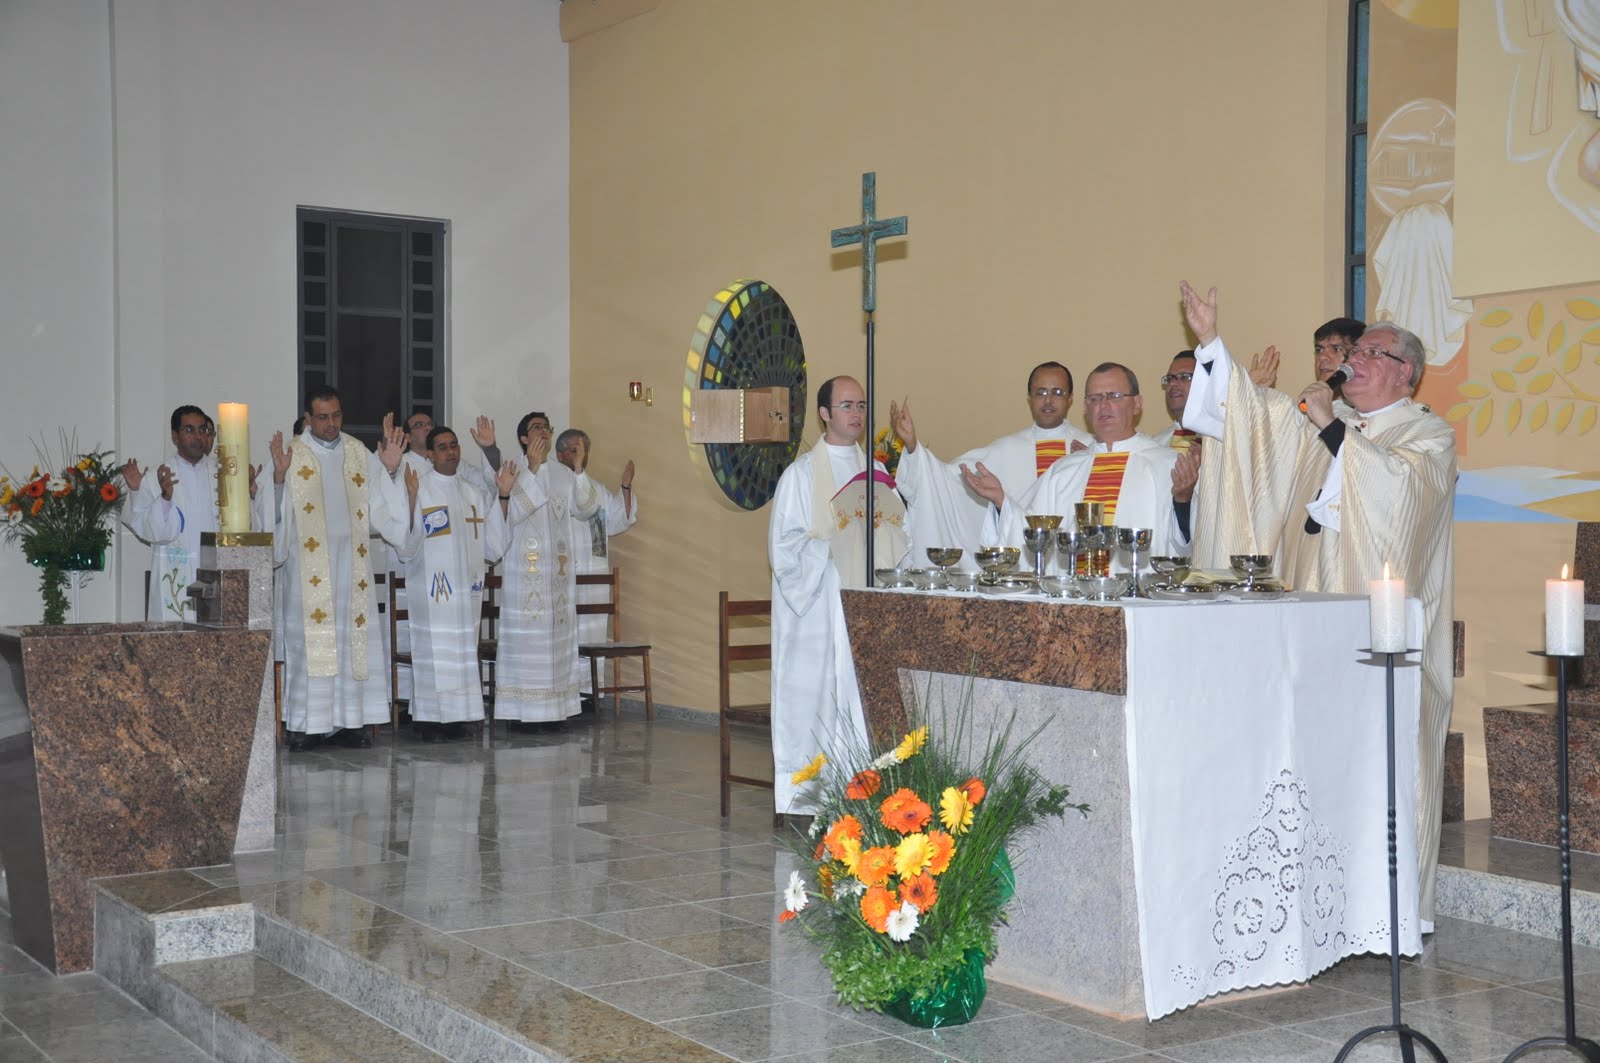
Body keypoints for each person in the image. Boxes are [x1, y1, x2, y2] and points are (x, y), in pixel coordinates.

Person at [1178, 280, 1456, 921]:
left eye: (1369, 351)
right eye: (1348, 351)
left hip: (1379, 637)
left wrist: (1331, 425)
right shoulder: (1324, 423)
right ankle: (1317, 903)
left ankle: (1387, 907)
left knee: (1380, 763)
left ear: (1403, 372)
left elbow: (1398, 502)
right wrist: (1212, 343)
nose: (1351, 359)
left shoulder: (1426, 439)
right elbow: (1249, 426)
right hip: (1312, 625)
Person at [769, 376, 909, 815]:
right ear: (824, 413)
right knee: (818, 698)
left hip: (863, 605)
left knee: (859, 697)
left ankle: (864, 795)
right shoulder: (802, 474)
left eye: (862, 405)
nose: (856, 413)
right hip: (819, 605)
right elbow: (784, 548)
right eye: (847, 404)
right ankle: (811, 799)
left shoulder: (879, 473)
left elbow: (899, 533)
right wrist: (831, 540)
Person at [269, 387, 410, 752]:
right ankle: (306, 726)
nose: (331, 424)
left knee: (352, 646)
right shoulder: (293, 454)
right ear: (308, 419)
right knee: (309, 647)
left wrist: (391, 470)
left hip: (353, 572)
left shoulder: (357, 452)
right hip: (307, 574)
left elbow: (383, 512)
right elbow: (275, 519)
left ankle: (353, 722)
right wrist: (279, 479)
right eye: (322, 417)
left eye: (336, 416)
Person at [964, 363, 1194, 559]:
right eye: (1095, 398)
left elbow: (1191, 542)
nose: (1103, 405)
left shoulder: (1169, 465)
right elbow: (1032, 535)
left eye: (1114, 396)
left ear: (1136, 404)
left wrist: (1183, 501)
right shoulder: (1064, 470)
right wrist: (1001, 502)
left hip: (1139, 601)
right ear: (1085, 408)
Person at [890, 362, 1091, 570]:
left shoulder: (1089, 448)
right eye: (1040, 392)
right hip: (1018, 570)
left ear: (1070, 398)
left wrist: (1091, 463)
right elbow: (948, 480)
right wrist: (913, 446)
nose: (1048, 400)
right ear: (1030, 398)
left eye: (1057, 392)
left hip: (1073, 566)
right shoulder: (1006, 448)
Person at [396, 426, 513, 741]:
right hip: (432, 591)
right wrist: (408, 499)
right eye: (443, 447)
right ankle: (431, 721)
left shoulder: (473, 492)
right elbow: (405, 546)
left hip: (466, 592)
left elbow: (494, 547)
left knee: (462, 651)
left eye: (454, 445)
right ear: (431, 454)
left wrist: (503, 496)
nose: (451, 451)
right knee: (434, 652)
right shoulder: (421, 489)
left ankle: (461, 717)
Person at [495, 411, 602, 733]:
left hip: (557, 578)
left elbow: (586, 509)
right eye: (536, 428)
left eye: (546, 427)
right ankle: (522, 713)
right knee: (527, 645)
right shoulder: (512, 469)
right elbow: (510, 513)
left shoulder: (563, 473)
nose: (543, 432)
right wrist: (532, 470)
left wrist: (580, 469)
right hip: (524, 576)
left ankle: (556, 711)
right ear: (524, 438)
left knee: (556, 643)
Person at [123, 405, 265, 620]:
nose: (198, 436)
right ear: (174, 435)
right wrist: (165, 499)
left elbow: (250, 528)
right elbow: (148, 531)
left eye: (202, 430)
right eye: (189, 430)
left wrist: (245, 491)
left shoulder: (226, 474)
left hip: (219, 573)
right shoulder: (156, 477)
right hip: (175, 574)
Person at [554, 428, 637, 712]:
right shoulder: (554, 489)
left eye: (583, 450)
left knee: (593, 636)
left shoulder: (597, 489)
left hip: (595, 576)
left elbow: (619, 520)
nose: (580, 456)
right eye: (575, 450)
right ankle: (565, 696)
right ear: (559, 455)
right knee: (567, 637)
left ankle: (590, 695)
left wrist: (625, 488)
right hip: (564, 577)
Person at [1149, 351, 1200, 450]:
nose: (1172, 383)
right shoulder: (1155, 446)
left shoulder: (1225, 439)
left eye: (1184, 377)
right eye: (1169, 378)